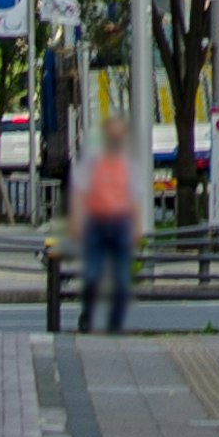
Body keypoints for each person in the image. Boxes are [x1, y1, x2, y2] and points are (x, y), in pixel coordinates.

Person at [68, 123, 137, 336]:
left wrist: (136, 227)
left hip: (120, 222)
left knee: (122, 280)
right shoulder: (92, 162)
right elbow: (79, 192)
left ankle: (115, 325)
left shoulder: (128, 163)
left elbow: (135, 197)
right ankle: (87, 316)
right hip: (96, 222)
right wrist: (77, 222)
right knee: (92, 275)